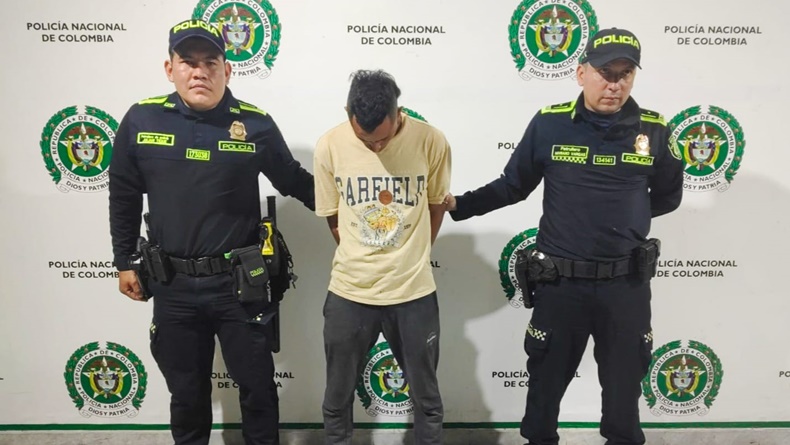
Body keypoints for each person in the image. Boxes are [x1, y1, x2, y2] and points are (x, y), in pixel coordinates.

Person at [445, 28, 683, 445]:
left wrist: (622, 222)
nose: (615, 84)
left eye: (625, 74)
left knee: (624, 400)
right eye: (605, 72)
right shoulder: (550, 124)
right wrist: (458, 205)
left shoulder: (654, 130)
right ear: (581, 73)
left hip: (625, 287)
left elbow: (667, 196)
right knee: (544, 393)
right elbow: (512, 185)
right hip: (560, 285)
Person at [108, 19, 314, 445]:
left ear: (227, 70)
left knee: (258, 390)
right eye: (188, 62)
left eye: (210, 62)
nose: (199, 72)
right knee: (186, 395)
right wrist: (124, 261)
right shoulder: (142, 119)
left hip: (239, 285)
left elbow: (295, 181)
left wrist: (352, 206)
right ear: (170, 69)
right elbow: (124, 195)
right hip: (172, 285)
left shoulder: (255, 124)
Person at [313, 69, 452, 445]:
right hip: (349, 291)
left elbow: (436, 205)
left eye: (384, 139)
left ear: (398, 113)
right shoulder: (329, 146)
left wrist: (416, 252)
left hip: (413, 291)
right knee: (336, 398)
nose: (376, 148)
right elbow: (333, 217)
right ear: (348, 114)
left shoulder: (431, 140)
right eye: (365, 140)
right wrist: (360, 252)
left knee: (427, 399)